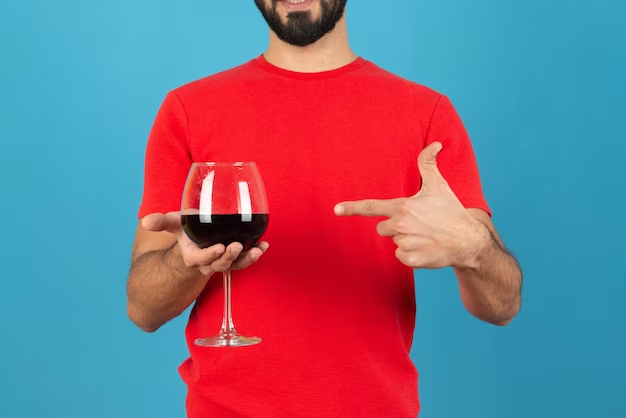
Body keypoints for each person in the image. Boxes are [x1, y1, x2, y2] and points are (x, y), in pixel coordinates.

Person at [126, 0, 523, 416]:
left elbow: (502, 306)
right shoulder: (187, 110)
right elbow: (143, 309)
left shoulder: (427, 114)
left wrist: (474, 248)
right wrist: (188, 263)